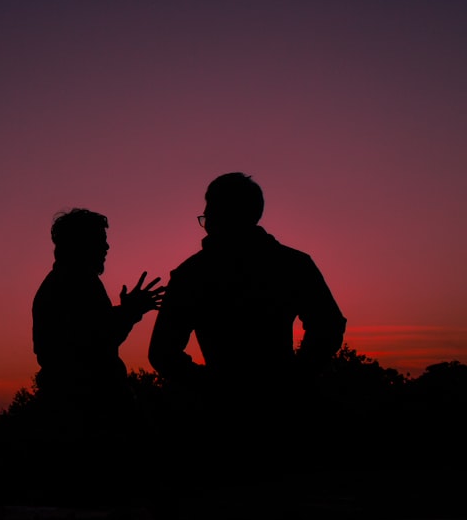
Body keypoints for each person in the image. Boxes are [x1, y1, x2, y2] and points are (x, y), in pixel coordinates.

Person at [147, 172, 347, 475]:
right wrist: (295, 377)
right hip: (287, 416)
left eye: (208, 214)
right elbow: (329, 326)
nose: (207, 223)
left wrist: (212, 386)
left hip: (222, 422)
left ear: (217, 215)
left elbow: (162, 353)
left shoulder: (192, 274)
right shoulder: (292, 264)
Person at [32, 208, 165, 442]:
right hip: (90, 412)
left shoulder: (65, 282)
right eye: (100, 241)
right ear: (80, 244)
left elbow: (90, 329)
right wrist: (130, 311)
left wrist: (126, 311)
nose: (106, 248)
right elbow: (96, 341)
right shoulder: (76, 282)